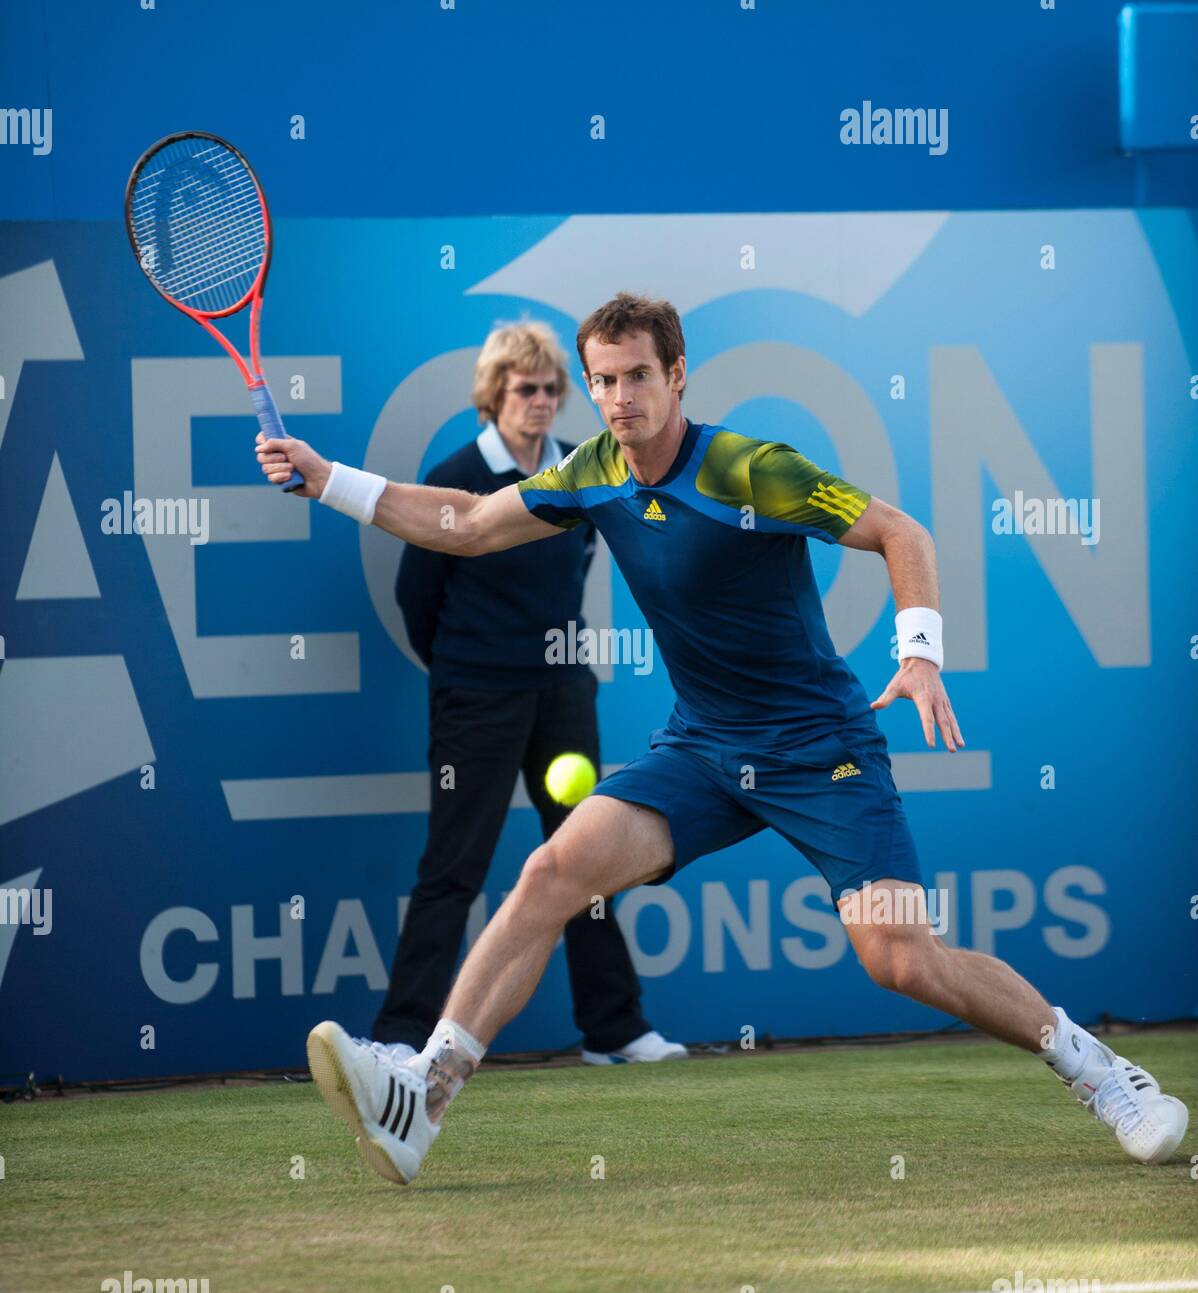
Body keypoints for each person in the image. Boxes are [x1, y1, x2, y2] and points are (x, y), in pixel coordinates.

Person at [258, 292, 1188, 1186]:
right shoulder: (591, 472)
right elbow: (463, 524)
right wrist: (329, 479)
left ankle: (1103, 1072)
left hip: (819, 744)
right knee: (552, 873)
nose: (619, 399)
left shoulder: (751, 468)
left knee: (902, 960)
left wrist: (921, 652)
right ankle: (425, 1094)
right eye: (604, 381)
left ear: (677, 378)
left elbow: (898, 533)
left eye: (636, 378)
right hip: (704, 748)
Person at [373, 322, 685, 1067]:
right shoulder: (456, 476)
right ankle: (398, 1041)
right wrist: (467, 672)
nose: (542, 402)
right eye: (525, 390)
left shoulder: (577, 476)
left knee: (589, 861)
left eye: (551, 389)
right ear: (494, 395)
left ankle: (614, 1030)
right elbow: (418, 597)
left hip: (564, 694)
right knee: (454, 870)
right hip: (476, 701)